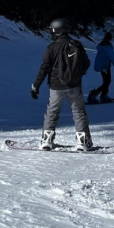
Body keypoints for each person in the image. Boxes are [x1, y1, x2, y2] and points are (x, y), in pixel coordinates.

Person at [30, 18, 91, 151]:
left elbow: (44, 68)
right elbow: (86, 63)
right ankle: (83, 142)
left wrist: (36, 86)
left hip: (56, 86)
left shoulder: (51, 48)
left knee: (52, 112)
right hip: (74, 85)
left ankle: (47, 141)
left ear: (56, 31)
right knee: (79, 112)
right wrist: (77, 75)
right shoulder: (77, 44)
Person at [88, 31, 114, 104]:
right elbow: (111, 57)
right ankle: (95, 95)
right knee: (107, 82)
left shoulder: (101, 45)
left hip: (102, 67)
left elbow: (108, 55)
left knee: (106, 82)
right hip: (106, 67)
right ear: (110, 38)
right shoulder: (108, 46)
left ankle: (103, 95)